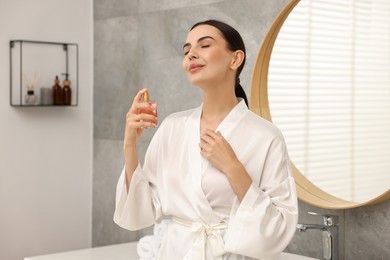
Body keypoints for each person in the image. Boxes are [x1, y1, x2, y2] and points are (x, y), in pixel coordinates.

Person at [114, 20, 298, 260]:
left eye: (204, 45)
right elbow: (141, 211)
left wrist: (233, 168)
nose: (191, 54)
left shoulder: (266, 136)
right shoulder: (173, 126)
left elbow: (278, 229)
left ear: (235, 59)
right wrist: (130, 145)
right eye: (186, 50)